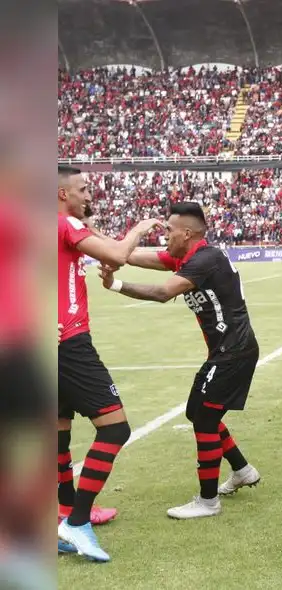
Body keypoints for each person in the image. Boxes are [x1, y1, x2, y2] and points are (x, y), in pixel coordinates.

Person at [101, 202, 262, 517]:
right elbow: (129, 256)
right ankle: (242, 470)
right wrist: (93, 240)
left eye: (170, 231)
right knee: (199, 413)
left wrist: (115, 285)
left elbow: (163, 292)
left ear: (187, 233)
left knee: (203, 417)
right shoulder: (190, 257)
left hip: (234, 352)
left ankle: (207, 501)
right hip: (226, 351)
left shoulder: (206, 259)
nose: (165, 238)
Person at [56, 165, 162, 562]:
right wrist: (140, 227)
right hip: (69, 343)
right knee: (116, 428)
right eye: (83, 189)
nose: (89, 195)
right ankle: (76, 522)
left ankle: (64, 513)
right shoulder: (62, 223)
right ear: (63, 193)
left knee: (59, 434)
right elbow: (118, 253)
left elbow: (107, 253)